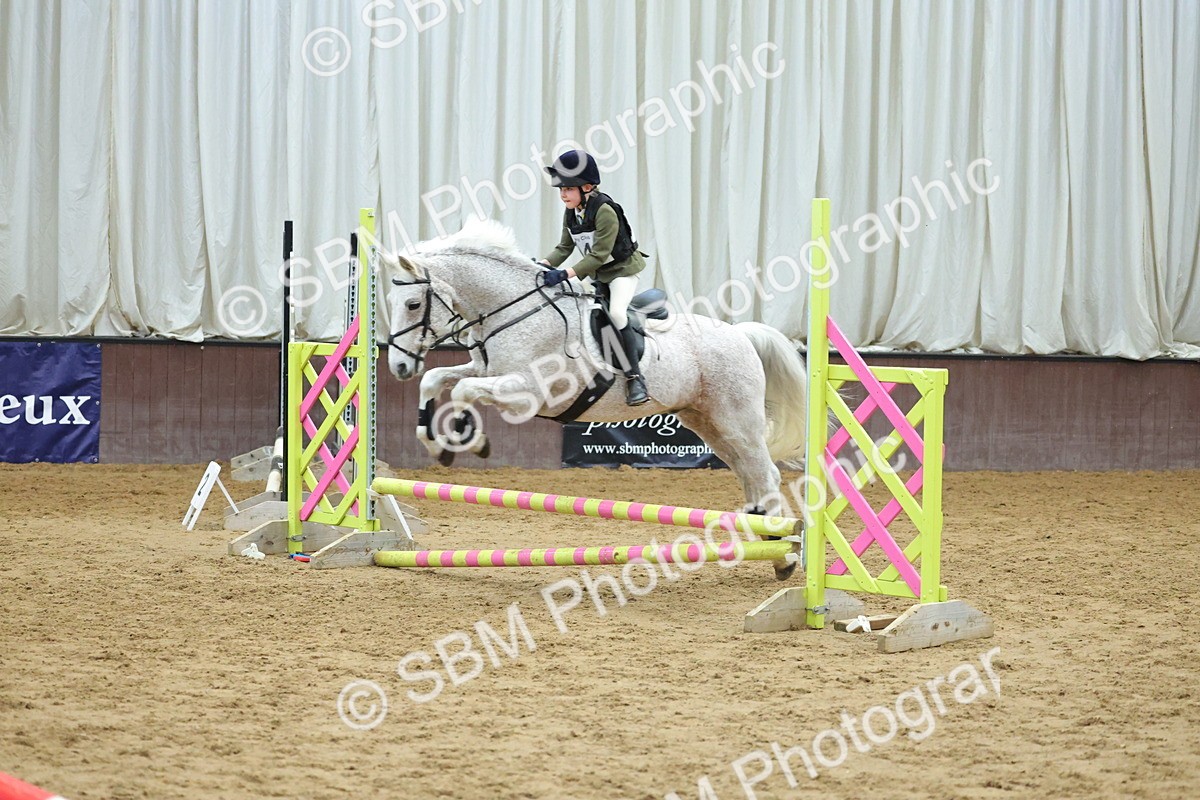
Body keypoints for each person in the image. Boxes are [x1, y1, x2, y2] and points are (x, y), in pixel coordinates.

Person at [539, 149, 649, 406]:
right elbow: (564, 248)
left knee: (618, 314)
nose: (563, 194)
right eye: (561, 189)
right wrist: (541, 265)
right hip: (599, 275)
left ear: (587, 187)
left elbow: (599, 255)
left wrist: (565, 274)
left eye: (568, 188)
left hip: (622, 272)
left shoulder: (605, 211)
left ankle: (635, 377)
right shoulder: (572, 211)